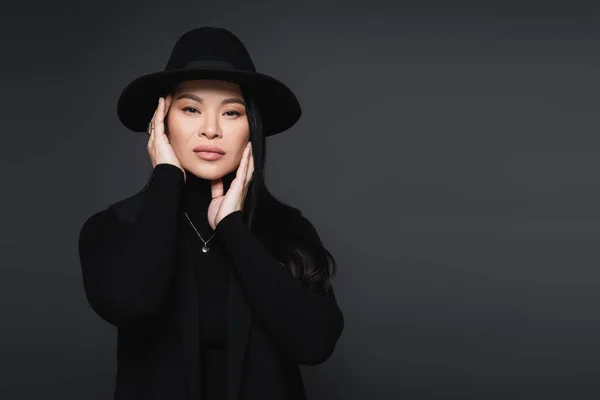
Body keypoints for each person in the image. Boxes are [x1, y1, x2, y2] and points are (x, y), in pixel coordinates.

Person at [77, 27, 344, 400]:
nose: (211, 130)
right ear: (161, 120)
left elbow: (315, 344)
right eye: (191, 109)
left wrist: (233, 229)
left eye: (232, 112)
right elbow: (132, 305)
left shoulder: (287, 229)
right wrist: (166, 179)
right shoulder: (114, 226)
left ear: (253, 128)